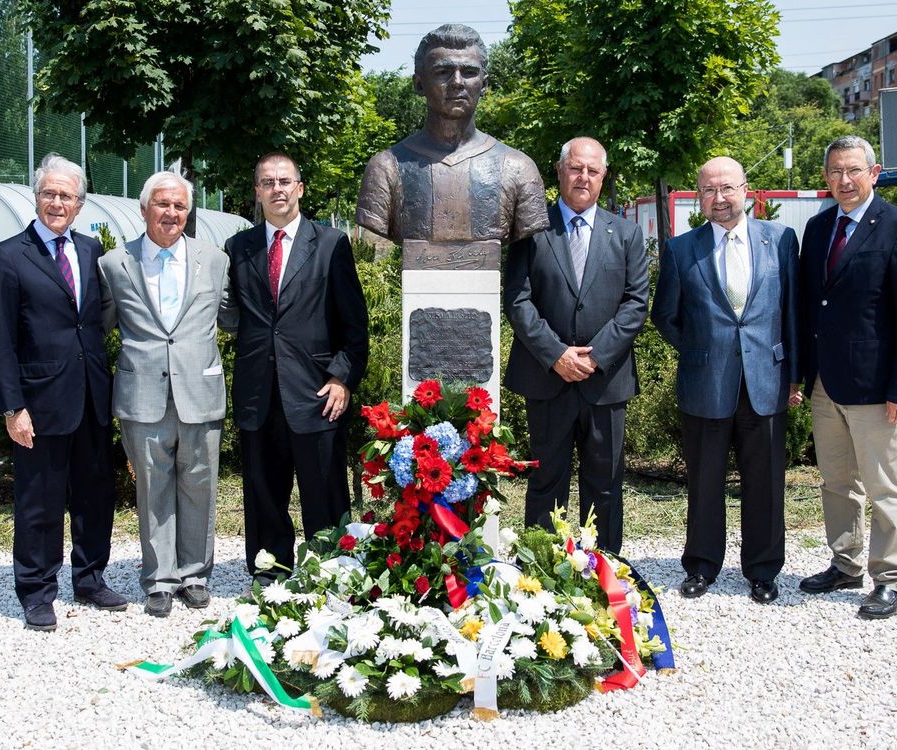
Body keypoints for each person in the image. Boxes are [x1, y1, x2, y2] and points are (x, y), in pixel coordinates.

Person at [0, 153, 127, 631]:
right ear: (35, 196)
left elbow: (96, 321)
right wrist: (12, 407)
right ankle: (37, 590)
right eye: (49, 193)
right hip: (39, 403)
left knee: (95, 494)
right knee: (39, 500)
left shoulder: (89, 251)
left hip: (91, 398)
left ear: (80, 204)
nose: (56, 202)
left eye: (66, 195)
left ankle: (89, 578)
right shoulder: (7, 256)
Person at [650, 156, 801, 605]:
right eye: (710, 190)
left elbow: (791, 312)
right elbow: (665, 315)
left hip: (766, 381)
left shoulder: (781, 241)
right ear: (699, 197)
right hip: (705, 383)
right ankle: (701, 565)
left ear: (746, 190)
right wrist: (701, 349)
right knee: (704, 482)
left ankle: (763, 570)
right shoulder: (681, 249)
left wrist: (794, 374)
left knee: (767, 484)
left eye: (727, 188)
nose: (719, 198)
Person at [797, 135, 897, 620]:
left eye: (853, 170)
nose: (844, 180)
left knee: (884, 485)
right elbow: (810, 307)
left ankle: (892, 578)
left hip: (876, 389)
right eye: (835, 171)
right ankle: (846, 563)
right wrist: (799, 375)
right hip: (825, 384)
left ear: (874, 173)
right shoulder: (817, 229)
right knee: (836, 481)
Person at [225, 153, 369, 583]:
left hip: (316, 394)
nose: (277, 189)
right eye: (267, 182)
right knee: (263, 492)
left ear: (300, 188)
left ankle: (330, 572)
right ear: (257, 192)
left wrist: (342, 377)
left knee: (323, 491)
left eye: (285, 181)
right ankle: (271, 573)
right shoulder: (239, 248)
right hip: (258, 393)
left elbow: (354, 324)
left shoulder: (330, 244)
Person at [97, 171, 237, 617]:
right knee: (153, 489)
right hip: (143, 397)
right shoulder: (115, 265)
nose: (171, 213)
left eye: (179, 206)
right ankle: (158, 579)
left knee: (200, 486)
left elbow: (236, 317)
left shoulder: (215, 260)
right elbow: (97, 325)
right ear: (144, 210)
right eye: (162, 204)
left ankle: (195, 574)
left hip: (200, 391)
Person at [503, 137, 649, 554]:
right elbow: (517, 299)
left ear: (603, 177)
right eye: (575, 168)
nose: (583, 177)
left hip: (605, 383)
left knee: (605, 483)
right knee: (546, 480)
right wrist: (557, 355)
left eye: (592, 170)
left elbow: (636, 303)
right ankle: (542, 575)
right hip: (547, 379)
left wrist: (595, 357)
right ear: (560, 170)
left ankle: (603, 570)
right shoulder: (530, 231)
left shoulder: (627, 233)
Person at [355, 23, 547, 245]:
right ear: (419, 84)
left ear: (484, 85)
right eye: (443, 72)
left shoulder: (519, 169)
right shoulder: (385, 168)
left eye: (469, 72)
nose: (457, 82)